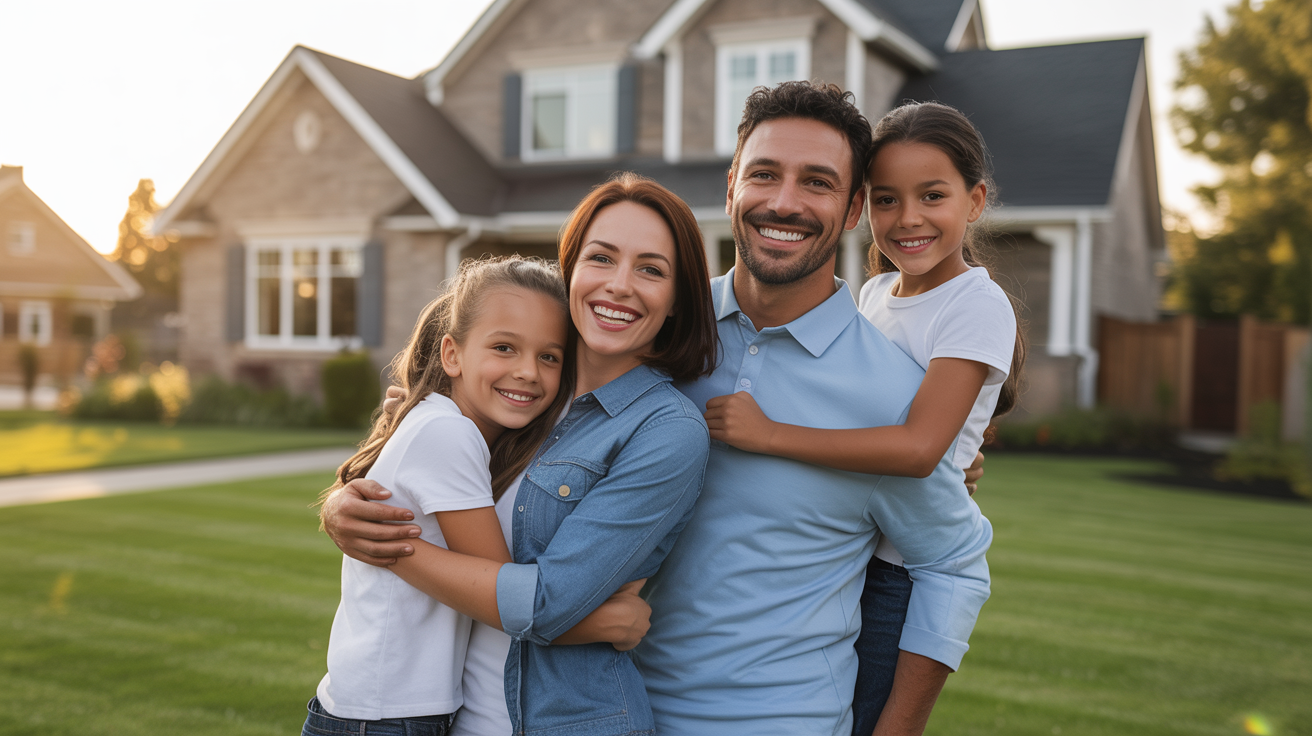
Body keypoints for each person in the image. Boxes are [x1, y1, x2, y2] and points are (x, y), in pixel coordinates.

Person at [325, 83, 990, 736]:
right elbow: (458, 415)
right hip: (598, 704)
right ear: (731, 186)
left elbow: (951, 563)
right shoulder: (647, 329)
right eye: (764, 174)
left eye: (816, 182)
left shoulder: (890, 397)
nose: (784, 202)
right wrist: (350, 497)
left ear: (852, 210)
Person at [320, 173, 719, 736]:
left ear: (677, 299)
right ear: (571, 270)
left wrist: (388, 548)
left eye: (651, 269)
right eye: (601, 258)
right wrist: (342, 508)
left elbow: (547, 602)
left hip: (567, 720)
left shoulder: (666, 430)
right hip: (454, 716)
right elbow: (416, 457)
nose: (620, 285)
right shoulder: (526, 394)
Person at [700, 100, 1025, 735]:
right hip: (855, 551)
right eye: (886, 200)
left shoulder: (976, 305)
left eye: (933, 196)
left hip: (899, 571)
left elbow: (919, 448)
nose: (907, 219)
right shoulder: (878, 293)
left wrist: (770, 435)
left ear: (976, 199)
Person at [304, 257, 576, 735]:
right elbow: (498, 591)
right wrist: (598, 625)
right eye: (505, 348)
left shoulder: (444, 423)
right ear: (452, 354)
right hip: (384, 716)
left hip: (389, 708)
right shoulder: (448, 433)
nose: (529, 371)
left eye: (549, 356)